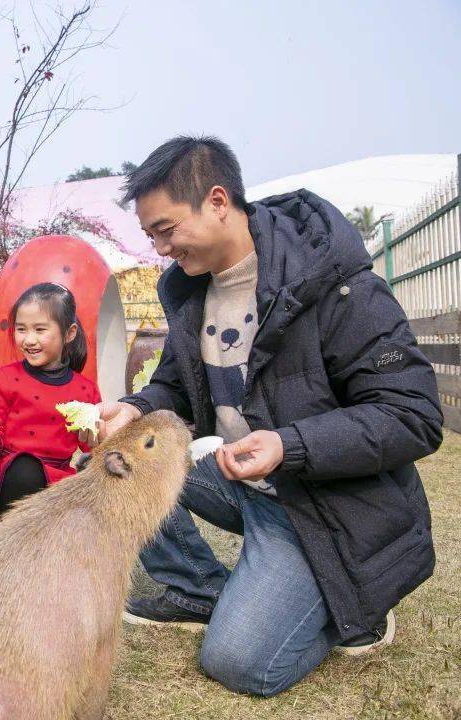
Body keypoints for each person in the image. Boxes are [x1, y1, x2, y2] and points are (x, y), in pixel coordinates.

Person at [102, 136, 442, 697]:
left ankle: (354, 608)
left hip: (320, 501)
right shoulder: (190, 291)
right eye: (151, 235)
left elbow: (413, 414)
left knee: (239, 662)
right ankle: (199, 588)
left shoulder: (335, 283)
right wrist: (136, 408)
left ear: (216, 201)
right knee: (121, 464)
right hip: (243, 479)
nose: (161, 249)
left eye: (167, 229)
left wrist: (290, 446)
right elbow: (174, 386)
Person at [0, 282, 101, 526]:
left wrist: (98, 436)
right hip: (9, 476)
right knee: (25, 468)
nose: (29, 340)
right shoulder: (4, 378)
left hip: (58, 482)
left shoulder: (86, 389)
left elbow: (90, 447)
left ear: (69, 333)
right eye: (21, 329)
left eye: (40, 330)